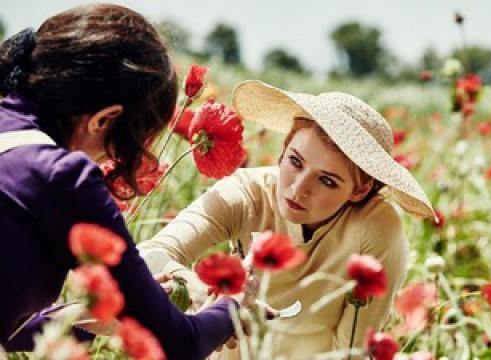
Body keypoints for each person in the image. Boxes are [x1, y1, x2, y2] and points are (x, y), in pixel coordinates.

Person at [0, 5, 243, 359]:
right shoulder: (62, 177)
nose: (112, 162)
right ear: (104, 120)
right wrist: (236, 307)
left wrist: (95, 314)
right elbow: (179, 345)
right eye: (132, 143)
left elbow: (8, 328)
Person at [138, 80, 435, 359]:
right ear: (284, 148)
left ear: (360, 190)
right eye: (295, 162)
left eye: (327, 181)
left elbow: (351, 352)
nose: (298, 189)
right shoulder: (248, 192)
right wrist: (197, 287)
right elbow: (148, 253)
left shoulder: (376, 228)